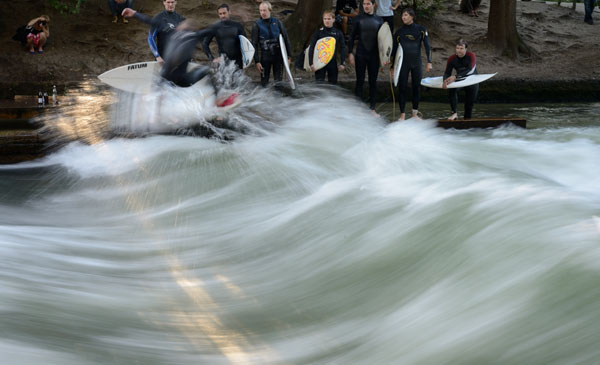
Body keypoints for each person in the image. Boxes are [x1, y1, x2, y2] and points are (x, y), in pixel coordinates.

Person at [122, 10, 211, 87]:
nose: (179, 26)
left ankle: (209, 72)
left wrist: (135, 13)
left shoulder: (181, 34)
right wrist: (135, 13)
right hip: (175, 78)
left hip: (175, 78)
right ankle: (209, 71)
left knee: (165, 82)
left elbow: (150, 21)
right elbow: (151, 22)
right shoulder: (186, 35)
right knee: (167, 83)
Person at [390, 7, 432, 120]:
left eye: (406, 15)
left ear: (412, 16)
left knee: (416, 87)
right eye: (402, 15)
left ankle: (414, 114)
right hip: (403, 64)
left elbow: (427, 46)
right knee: (402, 87)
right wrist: (392, 67)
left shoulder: (421, 29)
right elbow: (394, 50)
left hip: (416, 63)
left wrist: (429, 61)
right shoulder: (399, 32)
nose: (403, 17)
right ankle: (402, 115)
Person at [348, 0, 384, 114]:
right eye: (364, 4)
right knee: (360, 81)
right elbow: (351, 37)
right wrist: (350, 53)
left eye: (368, 4)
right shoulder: (358, 19)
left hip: (374, 56)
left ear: (373, 5)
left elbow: (383, 41)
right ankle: (357, 108)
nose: (366, 6)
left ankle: (372, 109)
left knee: (373, 82)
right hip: (360, 54)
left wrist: (384, 58)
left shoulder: (379, 20)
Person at [251, 1, 292, 87]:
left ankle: (278, 97)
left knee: (278, 82)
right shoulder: (257, 25)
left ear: (270, 10)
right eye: (261, 10)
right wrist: (257, 61)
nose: (262, 13)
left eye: (264, 10)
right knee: (264, 82)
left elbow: (285, 39)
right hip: (265, 57)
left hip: (278, 56)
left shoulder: (277, 22)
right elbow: (254, 44)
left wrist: (288, 56)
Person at [202, 4, 247, 69]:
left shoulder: (238, 26)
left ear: (229, 12)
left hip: (238, 63)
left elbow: (245, 45)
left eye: (224, 13)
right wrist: (212, 58)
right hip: (223, 63)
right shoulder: (215, 27)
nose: (222, 15)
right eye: (220, 14)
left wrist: (246, 62)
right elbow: (205, 44)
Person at [307, 10, 347, 84]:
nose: (326, 21)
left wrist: (342, 63)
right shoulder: (319, 32)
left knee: (333, 85)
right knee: (319, 84)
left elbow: (343, 48)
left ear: (333, 20)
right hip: (320, 62)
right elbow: (312, 47)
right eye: (325, 19)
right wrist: (311, 63)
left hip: (332, 62)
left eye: (329, 19)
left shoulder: (338, 33)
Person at [442, 39, 478, 120]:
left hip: (472, 81)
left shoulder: (471, 56)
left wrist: (455, 77)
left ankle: (466, 125)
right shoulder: (452, 58)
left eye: (461, 48)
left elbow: (470, 70)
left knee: (469, 106)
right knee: (452, 90)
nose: (459, 50)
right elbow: (447, 72)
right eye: (457, 48)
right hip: (460, 80)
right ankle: (454, 113)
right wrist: (445, 80)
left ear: (466, 49)